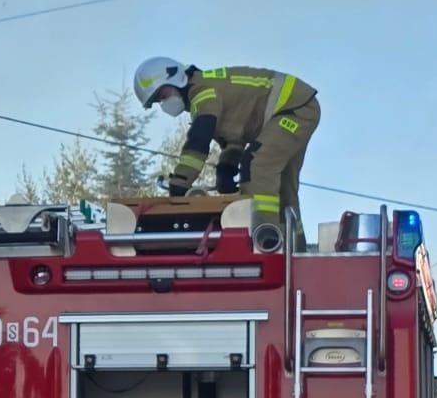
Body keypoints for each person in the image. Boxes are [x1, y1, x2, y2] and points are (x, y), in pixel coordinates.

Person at [133, 57, 320, 253]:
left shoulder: (203, 93)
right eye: (158, 101)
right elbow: (234, 138)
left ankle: (264, 238)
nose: (164, 103)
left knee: (259, 165)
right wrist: (226, 168)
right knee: (283, 186)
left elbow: (198, 143)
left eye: (163, 95)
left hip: (292, 107)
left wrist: (180, 182)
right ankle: (297, 251)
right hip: (299, 106)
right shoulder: (206, 92)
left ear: (176, 78)